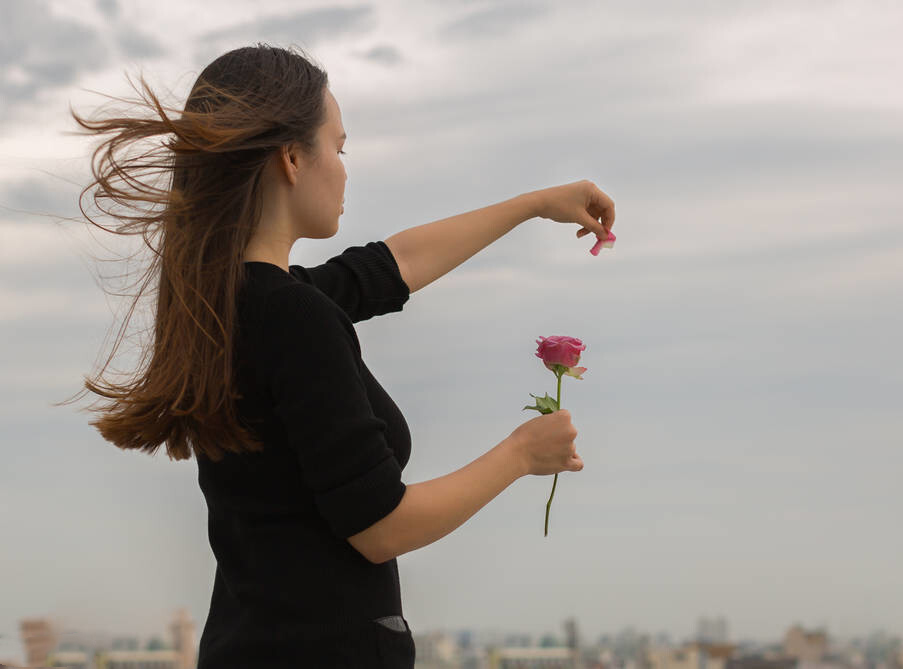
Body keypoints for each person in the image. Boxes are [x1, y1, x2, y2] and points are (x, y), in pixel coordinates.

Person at [66, 43, 615, 668]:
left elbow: (389, 268)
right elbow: (381, 527)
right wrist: (522, 453)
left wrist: (534, 204)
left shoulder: (231, 306)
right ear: (293, 159)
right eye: (339, 147)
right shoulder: (293, 316)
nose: (346, 168)